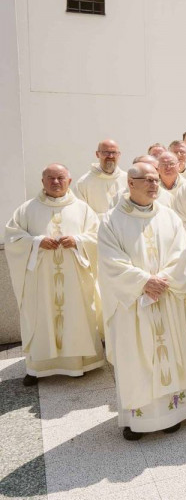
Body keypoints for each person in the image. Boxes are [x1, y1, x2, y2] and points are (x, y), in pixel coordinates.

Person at [98, 163, 186, 440]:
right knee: (137, 358)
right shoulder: (110, 221)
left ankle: (173, 412)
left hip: (166, 297)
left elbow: (181, 254)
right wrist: (143, 281)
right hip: (133, 304)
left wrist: (162, 280)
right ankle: (137, 420)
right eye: (147, 180)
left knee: (170, 353)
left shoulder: (169, 217)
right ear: (130, 183)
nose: (154, 184)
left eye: (156, 180)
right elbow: (110, 261)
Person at [5, 164, 105, 386]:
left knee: (75, 315)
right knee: (40, 317)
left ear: (69, 181)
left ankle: (78, 365)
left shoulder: (83, 209)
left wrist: (78, 241)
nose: (56, 182)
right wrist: (37, 242)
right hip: (40, 281)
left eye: (61, 178)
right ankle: (37, 368)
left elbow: (97, 237)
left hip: (74, 279)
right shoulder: (26, 210)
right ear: (43, 182)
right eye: (50, 178)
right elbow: (13, 239)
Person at [74, 139, 128, 215]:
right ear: (97, 154)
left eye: (114, 152)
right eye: (106, 152)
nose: (110, 156)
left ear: (119, 155)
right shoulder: (83, 183)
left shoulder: (128, 180)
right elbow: (80, 214)